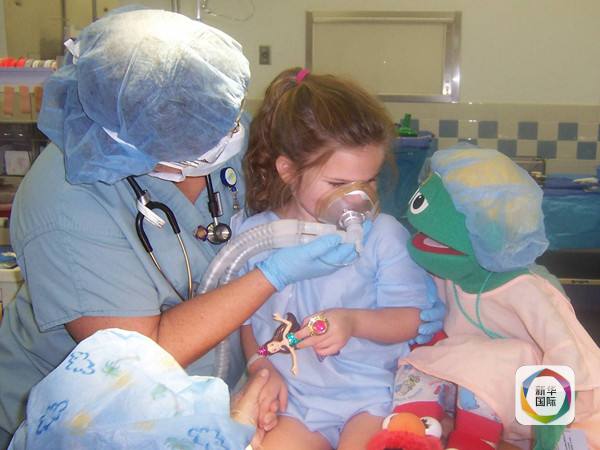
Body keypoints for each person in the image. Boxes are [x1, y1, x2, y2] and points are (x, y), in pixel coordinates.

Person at [0, 10, 365, 449]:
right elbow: (135, 362)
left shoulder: (215, 134)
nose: (233, 136)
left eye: (230, 120)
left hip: (216, 399)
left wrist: (259, 364)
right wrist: (273, 275)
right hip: (94, 424)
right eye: (208, 136)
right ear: (134, 139)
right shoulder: (66, 202)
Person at [235, 67, 436, 450]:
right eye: (339, 184)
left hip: (371, 396)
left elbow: (411, 319)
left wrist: (352, 321)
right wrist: (259, 366)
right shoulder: (255, 238)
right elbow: (246, 322)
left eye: (369, 181)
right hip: (295, 402)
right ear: (288, 171)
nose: (357, 198)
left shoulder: (382, 235)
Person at [368, 148, 600, 450]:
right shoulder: (449, 276)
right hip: (469, 380)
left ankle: (473, 441)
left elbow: (567, 355)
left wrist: (550, 428)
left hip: (530, 396)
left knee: (492, 361)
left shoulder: (528, 290)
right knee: (418, 366)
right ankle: (412, 435)